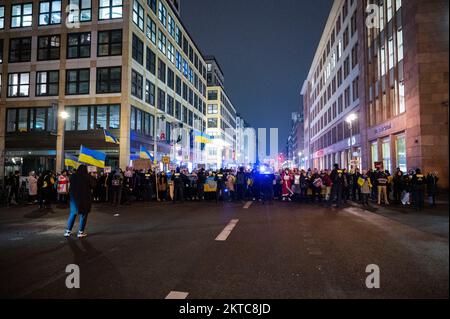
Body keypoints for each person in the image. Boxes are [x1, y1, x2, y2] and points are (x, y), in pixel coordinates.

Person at [64, 165, 95, 238]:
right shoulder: (87, 176)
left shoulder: (73, 176)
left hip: (74, 199)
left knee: (73, 214)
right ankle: (80, 232)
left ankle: (68, 231)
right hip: (85, 199)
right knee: (83, 215)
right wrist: (92, 176)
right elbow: (94, 185)